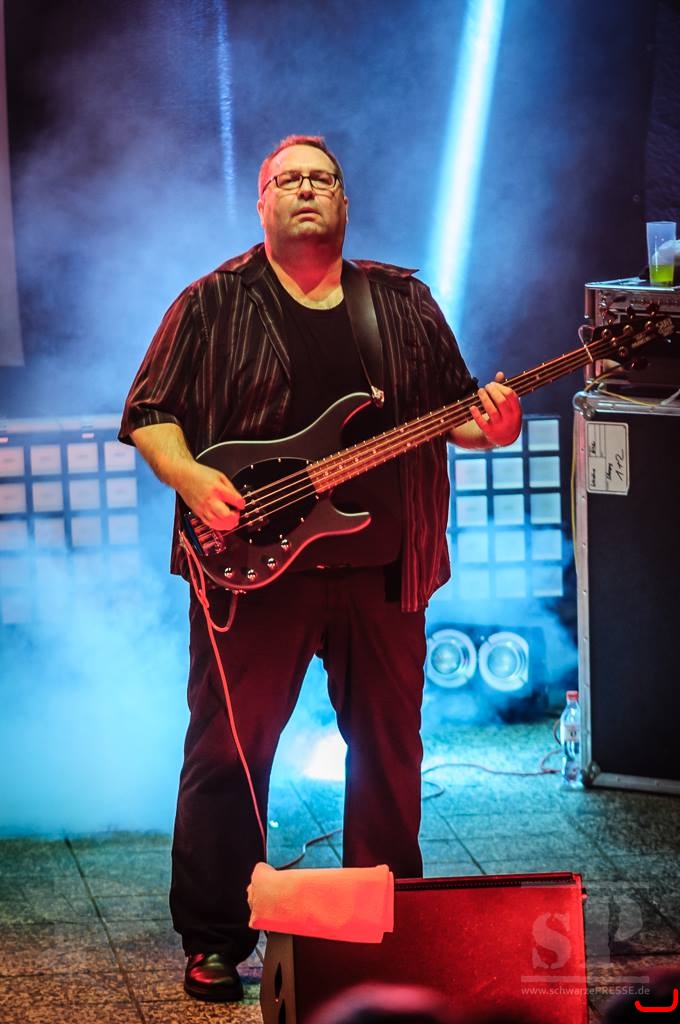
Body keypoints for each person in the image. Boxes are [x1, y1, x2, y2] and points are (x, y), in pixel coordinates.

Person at [119, 134, 522, 1002]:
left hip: (382, 570)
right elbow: (149, 412)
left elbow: (455, 410)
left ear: (344, 200)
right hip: (252, 572)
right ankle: (215, 938)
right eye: (289, 179)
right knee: (229, 753)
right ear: (262, 202)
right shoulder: (212, 302)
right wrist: (192, 478)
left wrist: (492, 425)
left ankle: (382, 927)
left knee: (389, 753)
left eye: (322, 179)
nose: (307, 190)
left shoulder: (402, 301)